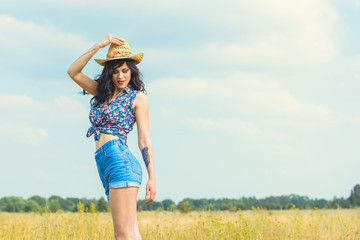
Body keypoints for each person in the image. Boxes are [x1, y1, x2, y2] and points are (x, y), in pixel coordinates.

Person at [67, 34, 156, 240]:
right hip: (104, 163)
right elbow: (73, 71)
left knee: (122, 235)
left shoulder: (137, 97)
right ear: (109, 73)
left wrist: (152, 176)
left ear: (131, 70)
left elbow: (144, 140)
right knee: (131, 234)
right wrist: (99, 45)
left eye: (125, 70)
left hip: (120, 161)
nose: (120, 76)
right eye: (115, 71)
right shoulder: (101, 92)